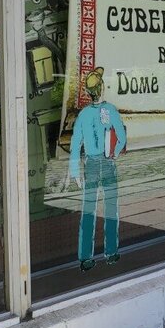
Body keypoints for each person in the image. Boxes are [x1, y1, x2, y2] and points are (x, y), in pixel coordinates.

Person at [68, 67, 126, 271]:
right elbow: (121, 136)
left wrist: (75, 171)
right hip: (108, 162)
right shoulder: (110, 110)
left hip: (91, 164)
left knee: (89, 210)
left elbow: (75, 144)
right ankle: (111, 252)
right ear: (101, 88)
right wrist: (115, 153)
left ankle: (85, 257)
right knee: (111, 208)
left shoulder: (83, 115)